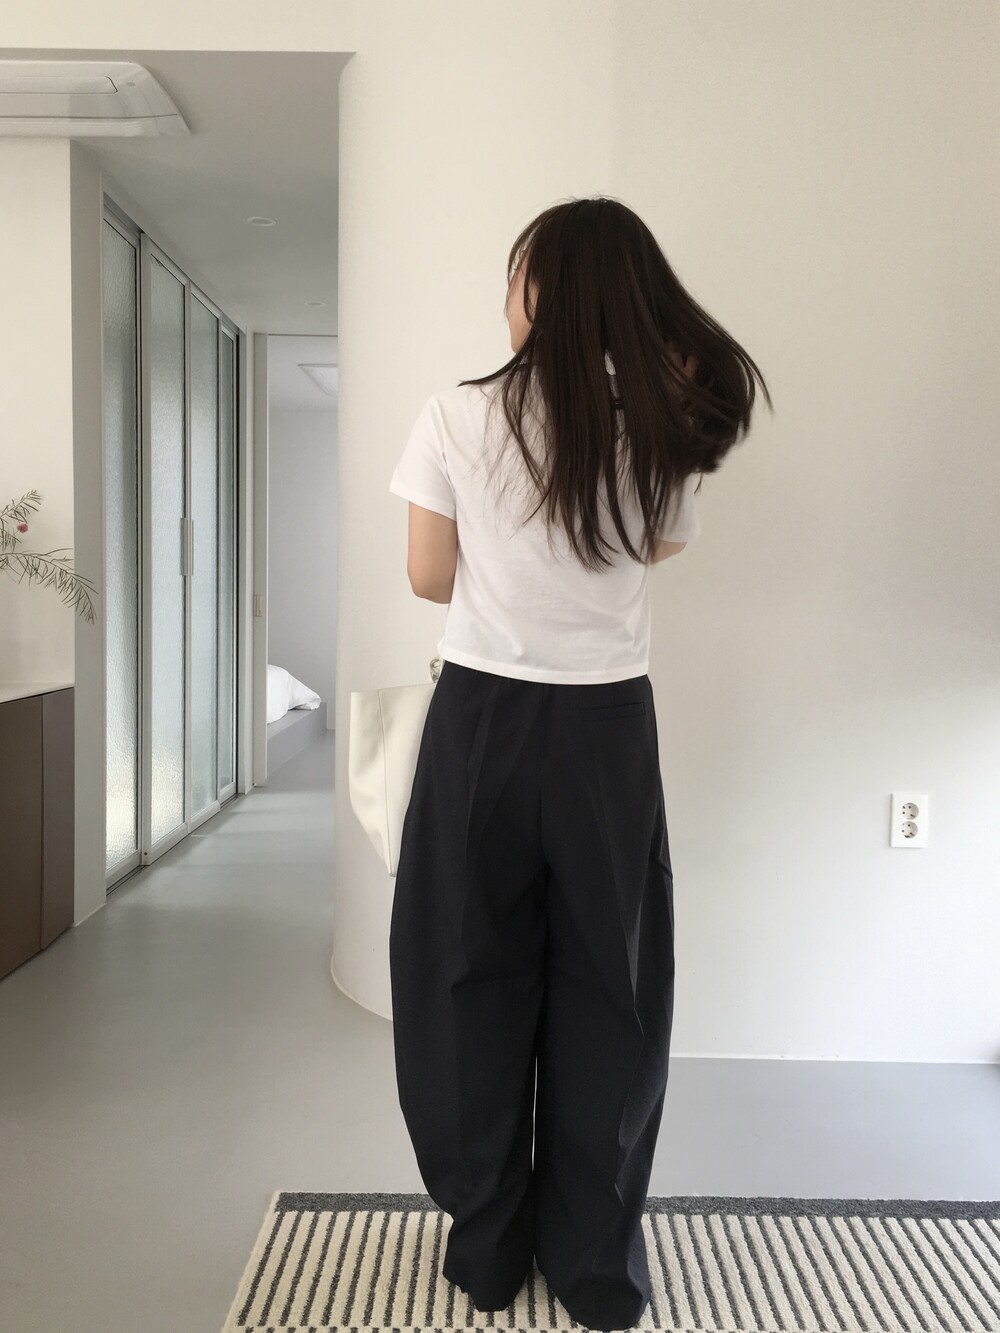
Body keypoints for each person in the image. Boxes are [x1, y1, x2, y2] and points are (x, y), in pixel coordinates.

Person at [387, 196, 772, 1331]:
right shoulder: (657, 425)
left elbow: (427, 577)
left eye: (517, 273)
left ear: (543, 293)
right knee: (614, 985)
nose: (505, 293)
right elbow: (654, 545)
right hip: (607, 732)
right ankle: (595, 1263)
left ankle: (487, 1247)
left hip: (483, 723)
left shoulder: (454, 414)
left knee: (465, 972)